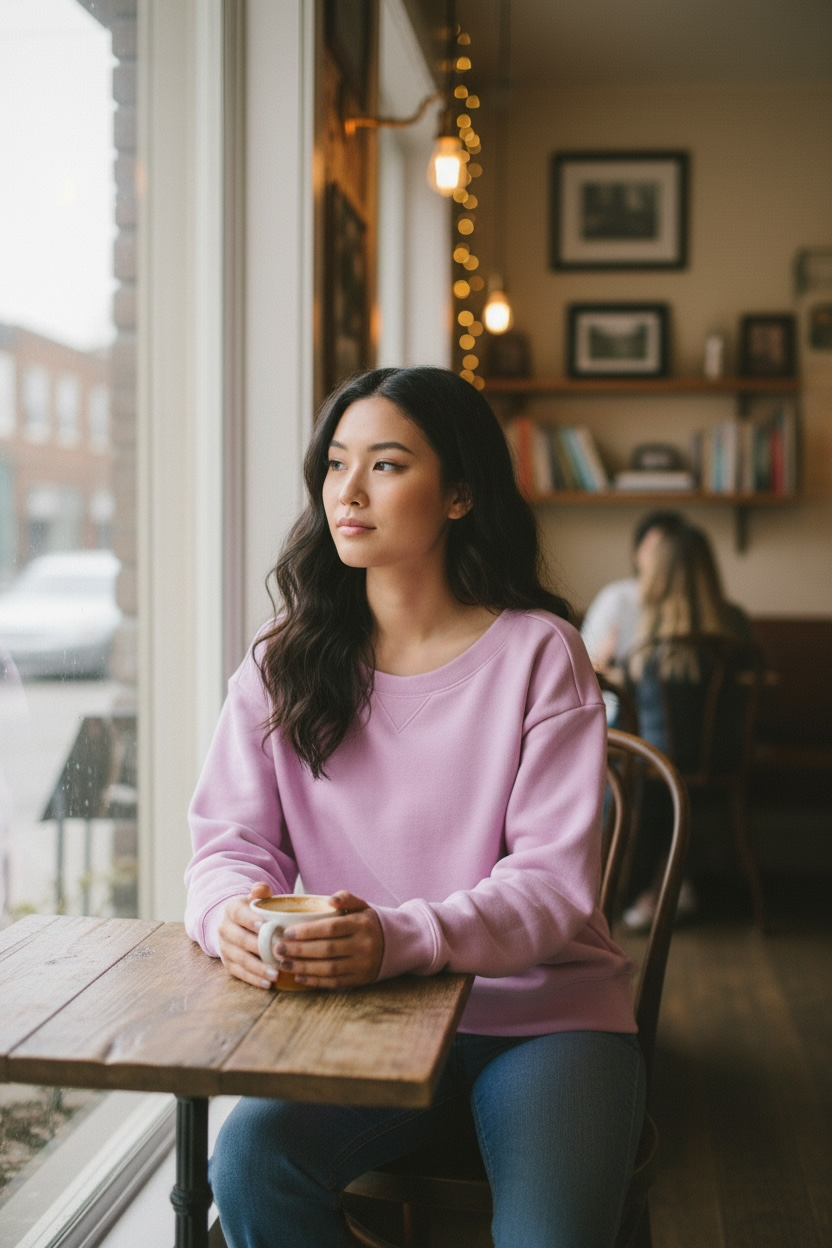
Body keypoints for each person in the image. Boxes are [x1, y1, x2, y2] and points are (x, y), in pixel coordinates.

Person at [184, 366, 646, 1248]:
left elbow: (552, 888)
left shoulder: (541, 655)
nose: (347, 492)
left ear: (461, 493)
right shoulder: (282, 662)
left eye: (387, 465)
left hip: (541, 1014)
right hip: (366, 1019)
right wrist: (227, 915)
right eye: (335, 464)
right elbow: (229, 842)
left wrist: (395, 938)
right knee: (249, 1166)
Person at [621, 522, 752, 931]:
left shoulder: (647, 644)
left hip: (658, 767)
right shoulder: (736, 629)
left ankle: (641, 890)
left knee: (642, 772)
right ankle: (676, 884)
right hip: (725, 759)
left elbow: (630, 699)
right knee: (676, 776)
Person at [580, 508, 686, 672]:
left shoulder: (695, 608)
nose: (661, 560)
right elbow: (586, 667)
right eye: (654, 549)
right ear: (637, 554)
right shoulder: (616, 598)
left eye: (668, 552)